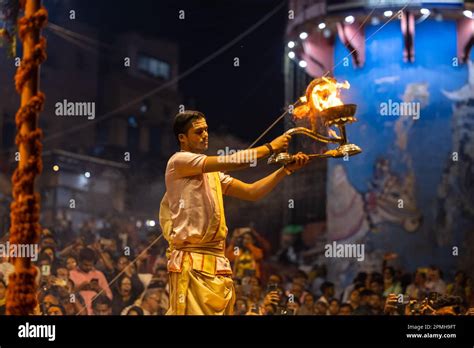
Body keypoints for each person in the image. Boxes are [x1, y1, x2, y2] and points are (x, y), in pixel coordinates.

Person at [159, 110, 310, 315]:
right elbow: (232, 161)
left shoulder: (211, 174)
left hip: (217, 260)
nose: (205, 135)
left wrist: (284, 170)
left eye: (206, 130)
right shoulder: (179, 162)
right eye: (199, 131)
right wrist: (270, 148)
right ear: (182, 138)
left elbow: (252, 192)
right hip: (191, 260)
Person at [69, 247, 113, 315]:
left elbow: (109, 297)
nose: (88, 267)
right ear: (79, 261)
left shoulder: (99, 274)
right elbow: (68, 295)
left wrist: (98, 289)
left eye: (91, 265)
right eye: (86, 265)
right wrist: (80, 287)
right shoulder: (71, 274)